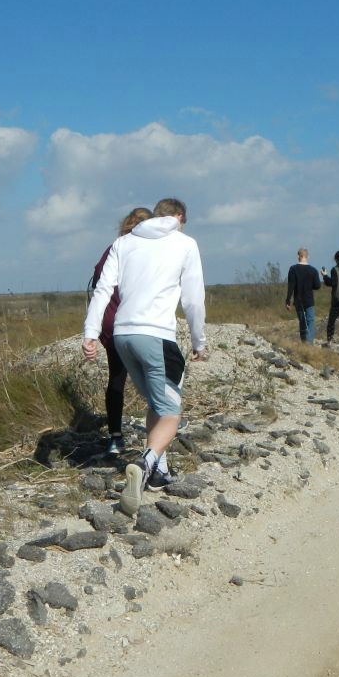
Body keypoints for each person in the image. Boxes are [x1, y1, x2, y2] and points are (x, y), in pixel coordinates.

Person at [83, 197, 207, 515]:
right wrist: (199, 341)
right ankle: (145, 462)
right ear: (180, 217)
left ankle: (159, 472)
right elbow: (194, 299)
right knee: (171, 412)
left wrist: (90, 333)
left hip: (122, 335)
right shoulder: (185, 243)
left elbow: (102, 290)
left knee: (156, 401)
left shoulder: (123, 242)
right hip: (156, 334)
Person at [88, 207, 153, 455]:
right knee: (153, 376)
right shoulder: (148, 250)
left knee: (116, 378)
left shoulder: (113, 248)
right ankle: (159, 432)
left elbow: (97, 281)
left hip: (109, 322)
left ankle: (115, 437)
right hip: (136, 320)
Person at [285, 248, 322, 344]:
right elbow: (317, 286)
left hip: (298, 300)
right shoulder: (313, 270)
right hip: (309, 299)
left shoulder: (293, 269)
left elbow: (291, 286)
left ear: (298, 256)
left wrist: (288, 300)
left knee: (302, 321)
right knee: (310, 321)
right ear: (308, 256)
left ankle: (304, 343)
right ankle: (309, 342)